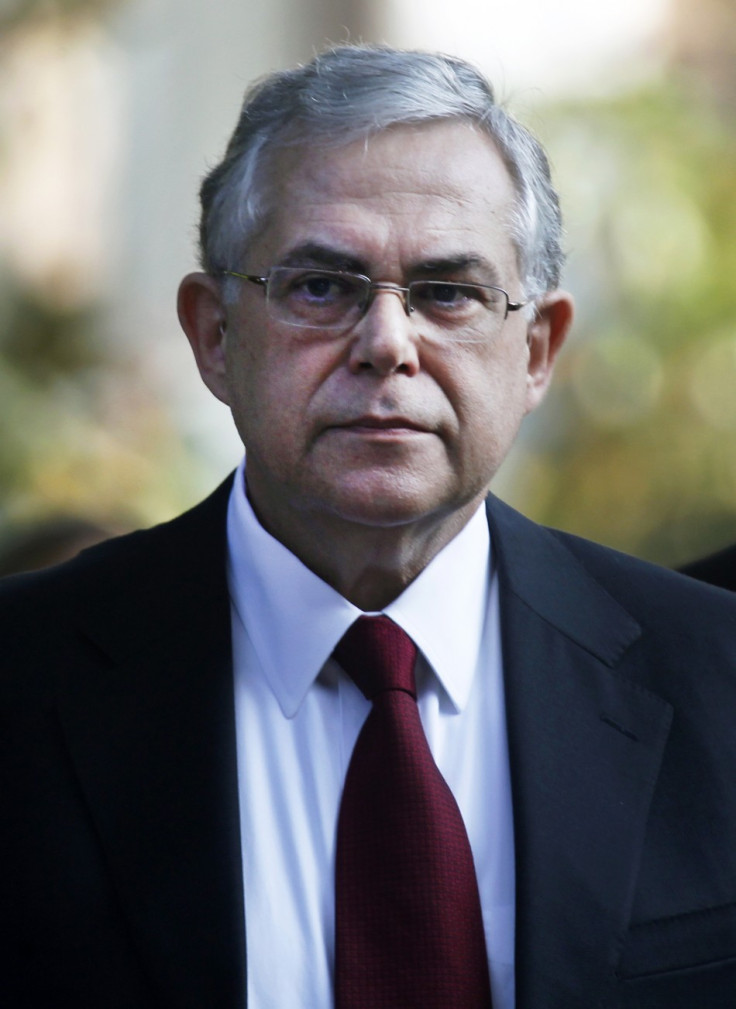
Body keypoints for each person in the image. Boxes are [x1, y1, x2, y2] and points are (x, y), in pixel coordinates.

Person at [2, 44, 736, 1009]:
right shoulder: (24, 677)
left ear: (536, 350)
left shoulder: (715, 680)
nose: (389, 344)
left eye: (448, 292)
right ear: (214, 336)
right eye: (321, 286)